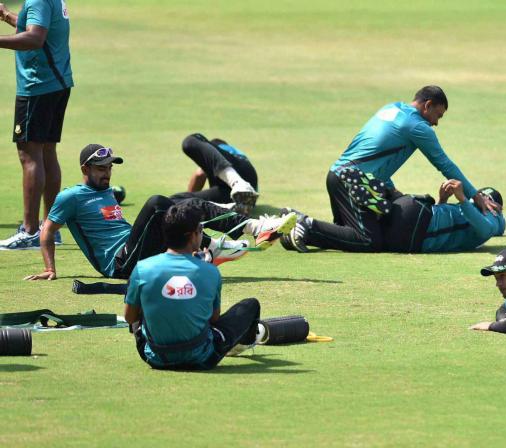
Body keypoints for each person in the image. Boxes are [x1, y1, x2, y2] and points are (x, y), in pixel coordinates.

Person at [23, 144, 295, 281]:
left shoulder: (106, 192)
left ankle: (250, 231)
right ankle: (215, 247)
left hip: (138, 250)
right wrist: (50, 268)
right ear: (85, 170)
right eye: (100, 169)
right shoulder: (70, 197)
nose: (107, 174)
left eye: (109, 168)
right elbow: (47, 230)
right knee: (157, 203)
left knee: (185, 207)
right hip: (119, 265)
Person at [320, 85, 501, 252]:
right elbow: (445, 164)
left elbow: (379, 157)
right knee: (367, 240)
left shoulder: (391, 108)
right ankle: (305, 224)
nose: (436, 123)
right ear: (427, 105)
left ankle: (296, 226)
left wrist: (392, 191)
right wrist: (476, 196)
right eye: (438, 115)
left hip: (338, 173)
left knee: (343, 234)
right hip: (355, 181)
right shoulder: (418, 127)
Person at [124, 201, 271, 370]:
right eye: (201, 230)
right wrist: (203, 266)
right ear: (193, 235)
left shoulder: (142, 268)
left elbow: (130, 318)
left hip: (155, 357)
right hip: (201, 357)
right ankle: (238, 345)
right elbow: (213, 319)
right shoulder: (210, 272)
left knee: (139, 296)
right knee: (251, 305)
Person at [0, 0, 73, 250]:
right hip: (57, 82)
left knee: (29, 154)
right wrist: (7, 15)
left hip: (38, 85)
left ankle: (30, 231)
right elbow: (38, 27)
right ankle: (49, 229)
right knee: (46, 152)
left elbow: (34, 39)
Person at [281, 180, 505, 253]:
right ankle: (306, 227)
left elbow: (484, 230)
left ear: (495, 205)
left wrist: (464, 200)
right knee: (364, 236)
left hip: (415, 226)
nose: (481, 199)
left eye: (485, 198)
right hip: (416, 223)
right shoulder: (469, 213)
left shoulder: (493, 219)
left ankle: (306, 224)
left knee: (364, 234)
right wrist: (444, 200)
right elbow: (447, 223)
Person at [170, 133, 259, 215]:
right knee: (174, 201)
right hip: (242, 191)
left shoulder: (219, 148)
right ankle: (230, 206)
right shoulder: (239, 154)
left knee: (190, 141)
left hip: (236, 181)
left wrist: (189, 197)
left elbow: (199, 174)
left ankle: (238, 184)